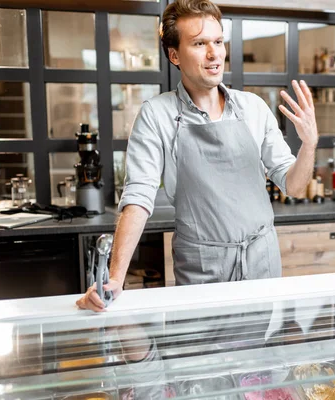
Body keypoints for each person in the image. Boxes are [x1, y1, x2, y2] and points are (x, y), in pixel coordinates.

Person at [77, 0, 318, 312]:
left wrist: (309, 145)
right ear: (174, 55)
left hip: (262, 262)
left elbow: (294, 185)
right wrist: (115, 278)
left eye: (218, 41)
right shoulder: (157, 115)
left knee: (261, 357)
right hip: (204, 268)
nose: (214, 53)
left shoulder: (253, 108)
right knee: (202, 356)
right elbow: (138, 197)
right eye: (200, 43)